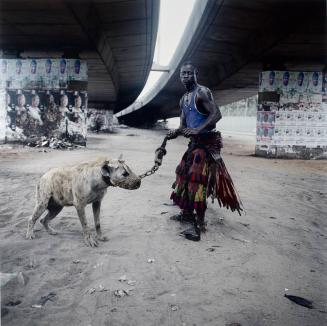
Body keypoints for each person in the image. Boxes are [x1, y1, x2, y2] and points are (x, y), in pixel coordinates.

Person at [167, 62, 242, 241]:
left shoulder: (202, 92)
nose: (185, 76)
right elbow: (184, 125)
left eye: (188, 73)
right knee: (184, 177)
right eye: (182, 74)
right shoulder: (184, 98)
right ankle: (186, 214)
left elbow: (216, 115)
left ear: (195, 74)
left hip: (205, 146)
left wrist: (198, 130)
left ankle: (199, 223)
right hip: (194, 144)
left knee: (197, 183)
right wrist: (175, 132)